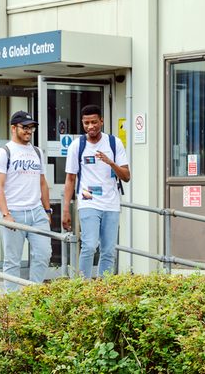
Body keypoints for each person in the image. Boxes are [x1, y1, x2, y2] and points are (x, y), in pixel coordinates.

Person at [62, 105, 130, 279]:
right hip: (88, 200)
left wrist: (111, 163)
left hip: (111, 203)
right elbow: (70, 179)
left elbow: (126, 176)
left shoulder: (114, 143)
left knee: (108, 250)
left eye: (94, 122)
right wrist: (65, 210)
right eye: (86, 123)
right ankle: (83, 287)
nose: (90, 126)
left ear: (102, 121)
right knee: (90, 245)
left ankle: (103, 287)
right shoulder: (77, 146)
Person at [0, 111, 52, 291]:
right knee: (12, 259)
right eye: (24, 127)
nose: (29, 131)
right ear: (13, 128)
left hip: (36, 211)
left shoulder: (37, 152)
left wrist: (47, 211)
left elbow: (42, 183)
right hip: (13, 212)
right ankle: (12, 303)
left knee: (43, 254)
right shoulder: (4, 152)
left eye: (31, 127)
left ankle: (33, 294)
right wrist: (6, 214)